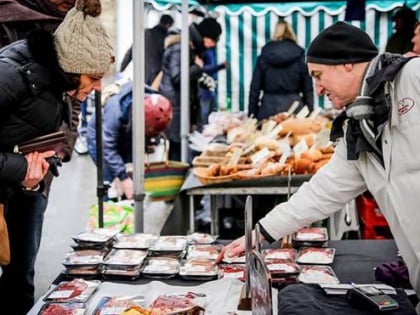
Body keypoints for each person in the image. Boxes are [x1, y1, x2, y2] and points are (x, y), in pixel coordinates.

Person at [217, 21, 420, 310]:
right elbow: (321, 192)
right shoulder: (357, 127)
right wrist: (260, 233)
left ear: (347, 64)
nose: (317, 88)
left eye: (318, 75)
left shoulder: (412, 77)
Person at [0, 0, 114, 313]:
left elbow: (62, 114)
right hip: (14, 175)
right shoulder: (14, 69)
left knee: (20, 273)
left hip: (30, 181)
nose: (98, 87)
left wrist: (55, 152)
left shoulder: (66, 48)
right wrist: (20, 166)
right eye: (93, 79)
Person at [86, 81, 172, 201]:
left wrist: (149, 141)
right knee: (111, 184)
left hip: (126, 136)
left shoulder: (154, 106)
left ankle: (128, 213)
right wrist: (123, 177)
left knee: (131, 180)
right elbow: (108, 147)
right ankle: (108, 212)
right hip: (100, 140)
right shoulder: (115, 110)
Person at [159, 17, 222, 161]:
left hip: (180, 107)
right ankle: (176, 182)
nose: (212, 45)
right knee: (178, 155)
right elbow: (177, 78)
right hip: (176, 109)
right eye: (212, 40)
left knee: (179, 153)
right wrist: (197, 68)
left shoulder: (189, 46)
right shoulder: (181, 47)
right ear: (204, 36)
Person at [248, 19, 314, 120]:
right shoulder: (300, 56)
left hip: (268, 110)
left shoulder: (264, 55)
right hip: (294, 110)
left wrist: (252, 115)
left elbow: (254, 89)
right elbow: (308, 89)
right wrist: (309, 113)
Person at [119, 14, 174, 85]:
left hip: (142, 73)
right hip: (158, 76)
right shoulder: (166, 37)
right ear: (168, 25)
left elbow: (130, 53)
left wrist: (122, 69)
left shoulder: (144, 33)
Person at [197, 46, 228, 130]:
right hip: (204, 89)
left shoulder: (212, 50)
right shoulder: (203, 51)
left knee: (210, 116)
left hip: (211, 88)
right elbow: (202, 68)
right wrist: (219, 66)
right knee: (204, 117)